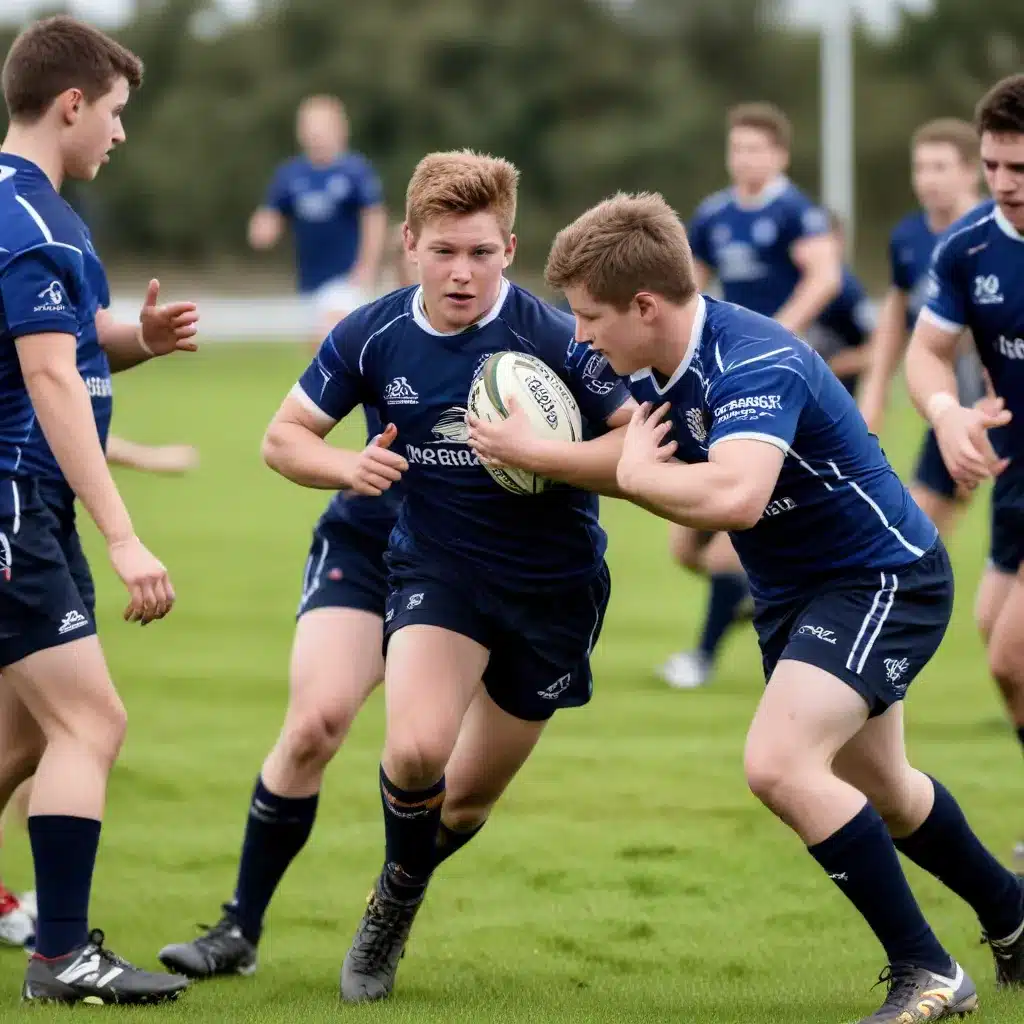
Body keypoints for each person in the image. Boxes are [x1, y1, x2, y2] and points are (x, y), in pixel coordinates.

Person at [545, 190, 1024, 1022]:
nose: (582, 335)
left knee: (779, 764)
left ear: (646, 305)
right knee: (888, 790)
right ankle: (1013, 915)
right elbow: (633, 460)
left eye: (590, 317)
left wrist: (631, 473)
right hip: (796, 594)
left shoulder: (755, 359)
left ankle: (928, 969)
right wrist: (541, 454)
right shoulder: (646, 361)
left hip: (883, 578)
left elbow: (733, 493)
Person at [255, 150, 631, 1002]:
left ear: (511, 248)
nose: (463, 273)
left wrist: (544, 455)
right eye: (445, 252)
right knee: (417, 747)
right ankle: (386, 921)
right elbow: (282, 438)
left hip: (554, 588)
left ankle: (399, 887)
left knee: (460, 805)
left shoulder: (554, 335)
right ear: (409, 244)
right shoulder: (372, 333)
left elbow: (633, 445)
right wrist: (344, 468)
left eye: (483, 253)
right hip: (438, 572)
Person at [0, 16, 196, 1003]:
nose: (119, 135)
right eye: (114, 114)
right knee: (90, 723)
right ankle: (61, 954)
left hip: (25, 503)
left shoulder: (23, 211)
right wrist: (123, 531)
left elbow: (68, 347)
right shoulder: (34, 221)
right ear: (71, 104)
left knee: (22, 738)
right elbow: (48, 378)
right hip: (14, 506)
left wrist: (139, 338)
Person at [659, 101, 843, 691]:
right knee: (684, 547)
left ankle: (702, 658)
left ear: (780, 156)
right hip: (716, 381)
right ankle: (771, 598)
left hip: (772, 384)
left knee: (725, 548)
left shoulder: (795, 212)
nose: (745, 159)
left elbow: (826, 276)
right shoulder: (713, 214)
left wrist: (775, 333)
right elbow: (683, 287)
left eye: (757, 149)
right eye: (737, 148)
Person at [904, 75, 1024, 872]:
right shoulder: (970, 245)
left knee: (1012, 654)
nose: (1007, 185)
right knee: (992, 630)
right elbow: (926, 351)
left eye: (1023, 170)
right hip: (1016, 468)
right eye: (996, 166)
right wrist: (948, 413)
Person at [858, 118, 985, 537]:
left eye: (940, 167)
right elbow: (896, 315)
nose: (927, 179)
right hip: (949, 397)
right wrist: (875, 390)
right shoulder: (908, 236)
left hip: (993, 394)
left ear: (971, 170)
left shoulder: (995, 230)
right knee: (916, 529)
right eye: (921, 167)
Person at [248, 95, 388, 340]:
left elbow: (374, 219)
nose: (315, 134)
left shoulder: (355, 171)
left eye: (322, 126)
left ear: (340, 129)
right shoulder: (290, 175)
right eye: (309, 126)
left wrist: (366, 267)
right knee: (322, 353)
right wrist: (262, 229)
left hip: (345, 279)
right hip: (310, 280)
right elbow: (271, 214)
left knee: (333, 339)